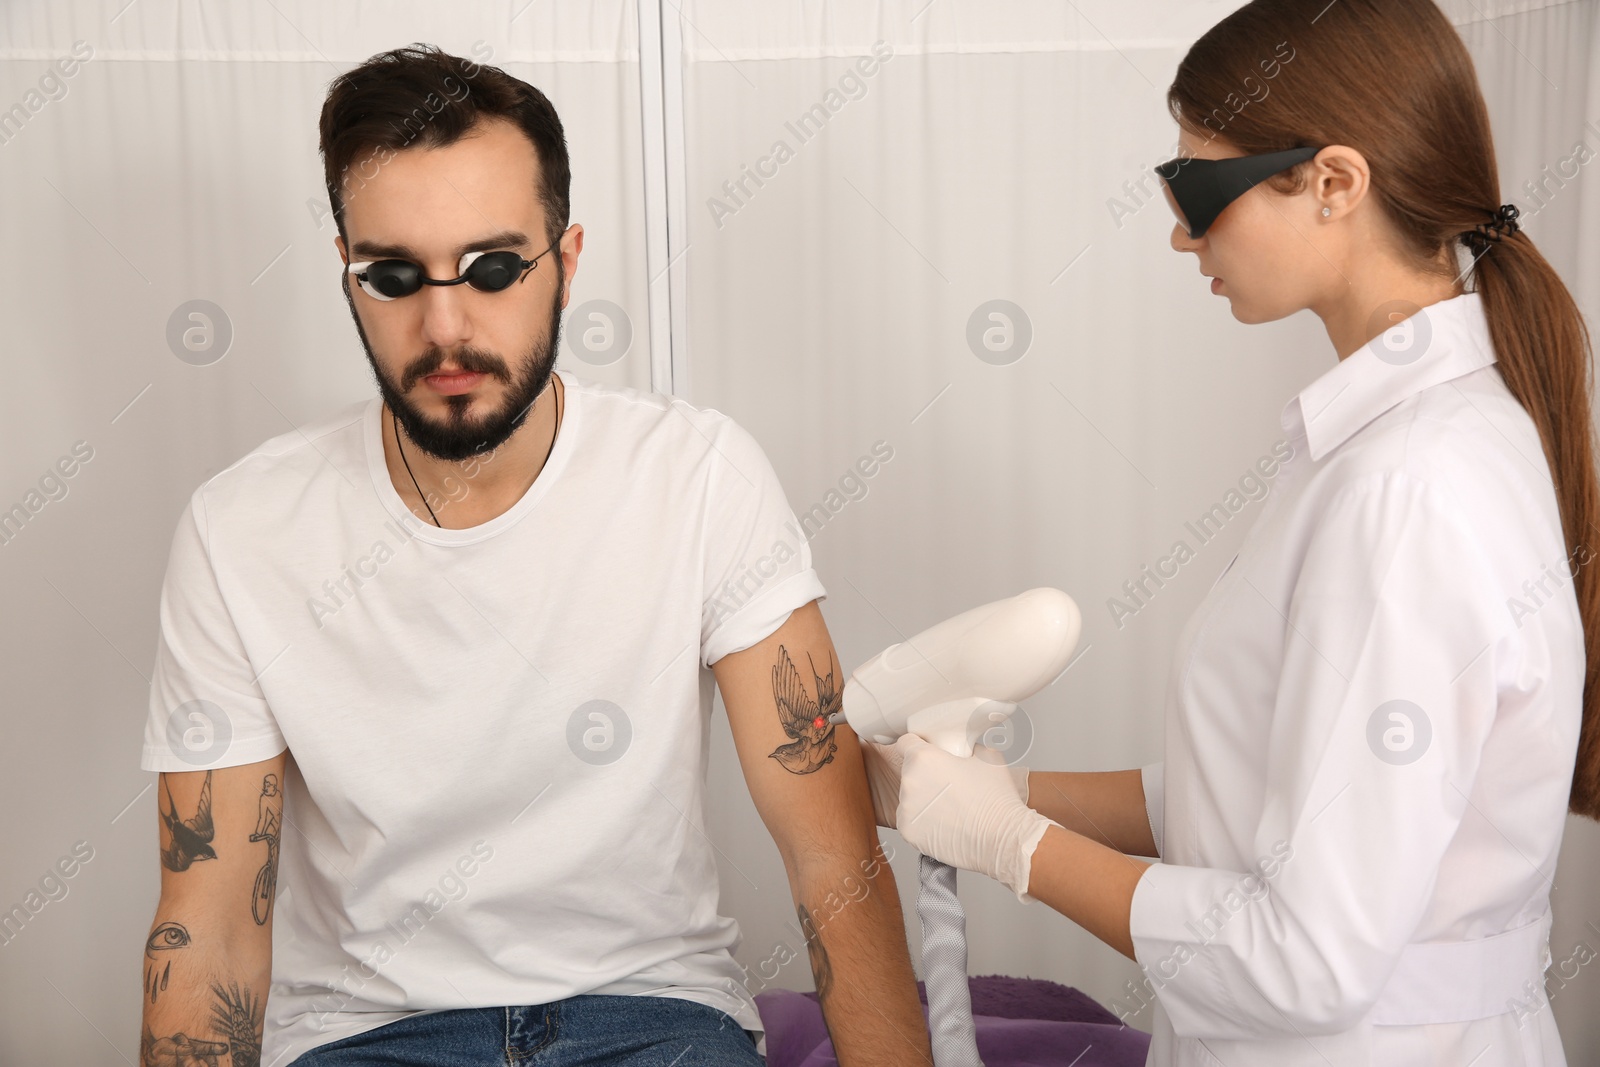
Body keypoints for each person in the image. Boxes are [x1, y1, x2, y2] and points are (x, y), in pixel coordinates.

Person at [138, 44, 934, 1067]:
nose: (445, 326)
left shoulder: (696, 475)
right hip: (369, 1034)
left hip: (651, 1015)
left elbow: (832, 852)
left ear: (566, 259)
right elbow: (207, 924)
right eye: (391, 275)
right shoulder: (240, 528)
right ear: (347, 269)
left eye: (494, 268)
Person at [864, 1, 1599, 1064]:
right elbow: (1256, 791)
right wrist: (996, 792)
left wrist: (1013, 844)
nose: (1178, 231)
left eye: (1197, 189)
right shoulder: (1389, 447)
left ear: (1334, 182)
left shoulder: (1407, 490)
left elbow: (1304, 958)